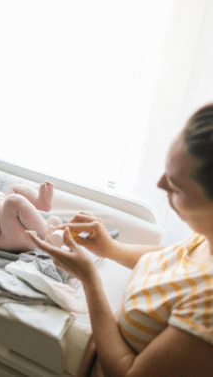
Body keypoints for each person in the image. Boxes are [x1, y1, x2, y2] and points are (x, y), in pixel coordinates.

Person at [27, 103, 213, 376]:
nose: (159, 185)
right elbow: (177, 262)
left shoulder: (207, 312)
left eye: (175, 186)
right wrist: (112, 249)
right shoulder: (205, 238)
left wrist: (89, 278)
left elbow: (127, 372)